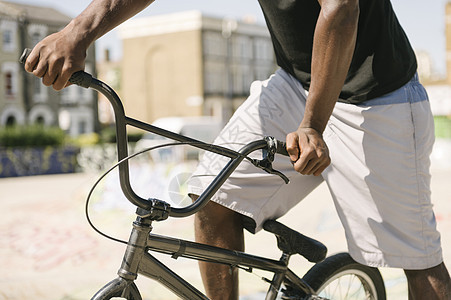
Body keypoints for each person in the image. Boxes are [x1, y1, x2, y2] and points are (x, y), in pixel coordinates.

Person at [25, 0, 451, 299]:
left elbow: (341, 7)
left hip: (377, 98)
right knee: (211, 197)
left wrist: (312, 125)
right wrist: (77, 32)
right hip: (295, 85)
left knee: (416, 259)